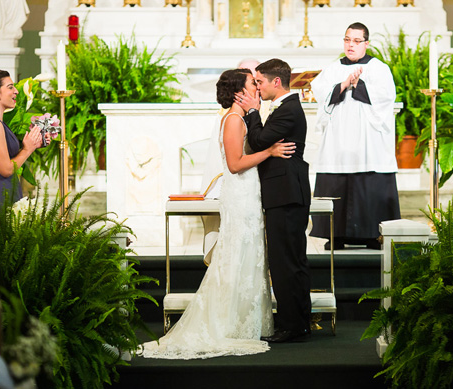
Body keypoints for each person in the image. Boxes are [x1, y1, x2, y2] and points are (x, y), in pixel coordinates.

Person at [141, 69, 294, 359]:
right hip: (240, 193)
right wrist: (270, 152)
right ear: (239, 91)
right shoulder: (233, 120)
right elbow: (235, 164)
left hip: (249, 192)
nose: (257, 88)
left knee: (249, 255)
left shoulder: (239, 117)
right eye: (252, 83)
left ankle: (246, 320)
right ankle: (230, 323)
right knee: (237, 254)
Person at [236, 59, 313, 343]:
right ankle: (297, 320)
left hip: (286, 194)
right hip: (285, 192)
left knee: (286, 262)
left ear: (276, 82)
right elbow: (264, 142)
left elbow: (257, 141)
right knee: (289, 260)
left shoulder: (289, 110)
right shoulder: (287, 108)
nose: (257, 87)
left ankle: (293, 325)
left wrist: (253, 111)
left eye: (260, 82)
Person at [309, 22, 400, 250]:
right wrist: (343, 84)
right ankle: (335, 234)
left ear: (366, 44)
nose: (351, 45)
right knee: (336, 184)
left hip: (369, 143)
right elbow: (320, 92)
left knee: (368, 182)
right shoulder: (333, 69)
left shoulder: (379, 68)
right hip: (337, 144)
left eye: (357, 41)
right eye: (347, 40)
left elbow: (386, 97)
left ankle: (372, 235)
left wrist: (360, 85)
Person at [0, 67, 43, 206]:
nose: (16, 91)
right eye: (10, 87)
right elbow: (6, 169)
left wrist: (34, 142)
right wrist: (27, 149)